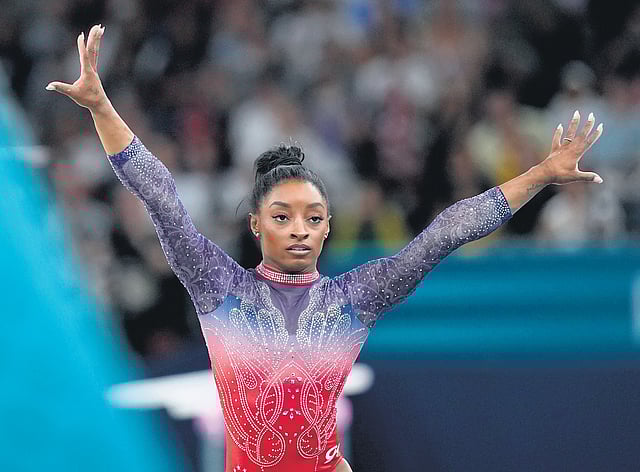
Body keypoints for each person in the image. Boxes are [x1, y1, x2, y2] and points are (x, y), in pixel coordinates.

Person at [46, 25, 604, 472]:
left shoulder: (353, 299)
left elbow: (445, 233)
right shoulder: (220, 288)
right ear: (256, 225)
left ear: (328, 228)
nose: (299, 229)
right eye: (282, 217)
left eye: (312, 218)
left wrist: (539, 174)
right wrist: (101, 108)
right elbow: (161, 198)